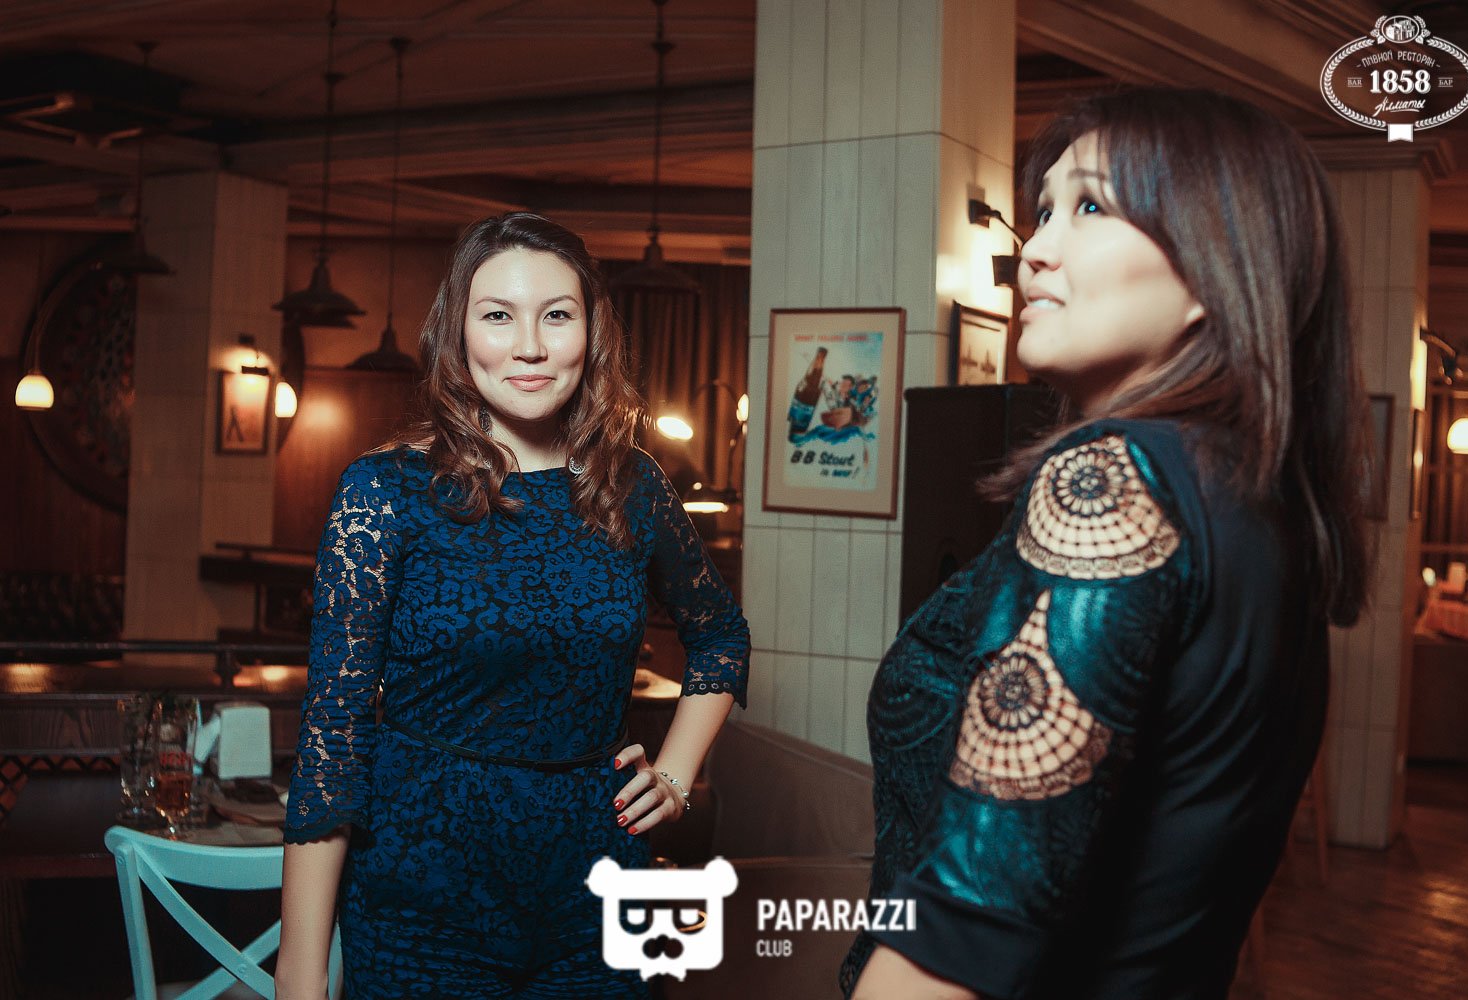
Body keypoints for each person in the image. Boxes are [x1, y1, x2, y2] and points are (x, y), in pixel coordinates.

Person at [842, 87, 1372, 999]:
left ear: (1211, 271)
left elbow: (967, 928)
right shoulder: (1257, 500)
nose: (1033, 249)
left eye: (1090, 207)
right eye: (1044, 209)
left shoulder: (1112, 478)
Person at [276, 212, 750, 1000]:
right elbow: (334, 738)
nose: (529, 345)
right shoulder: (385, 493)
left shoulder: (632, 485)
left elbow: (721, 637)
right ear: (457, 333)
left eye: (556, 315)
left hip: (599, 895)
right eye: (498, 316)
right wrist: (299, 972)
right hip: (421, 904)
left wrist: (674, 775)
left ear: (591, 334)